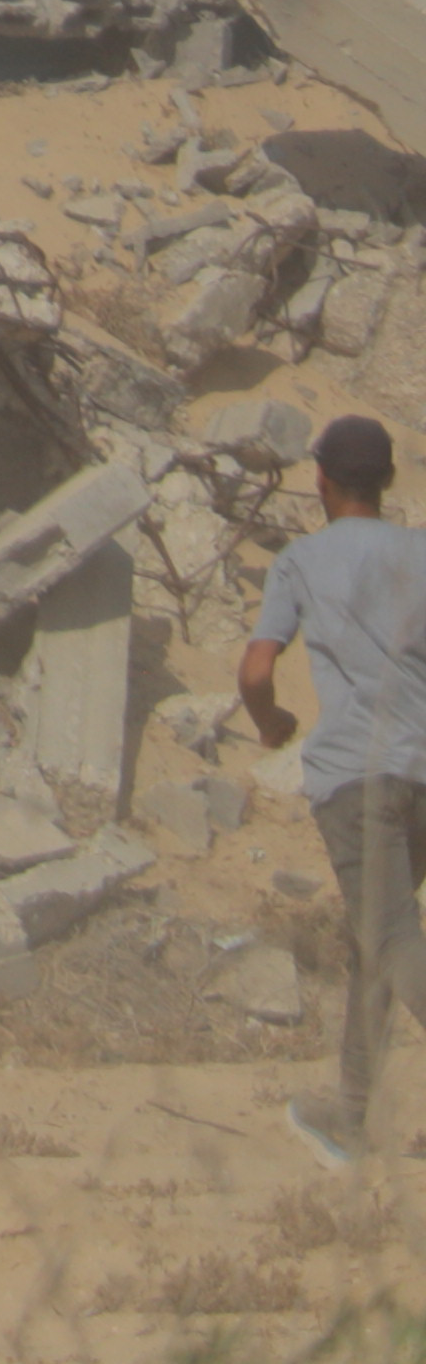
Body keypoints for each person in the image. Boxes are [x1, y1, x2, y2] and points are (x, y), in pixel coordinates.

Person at [243, 413, 426, 1167]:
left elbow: (255, 671)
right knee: (371, 938)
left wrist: (272, 721)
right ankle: (353, 1115)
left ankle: (352, 1119)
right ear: (386, 483)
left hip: (357, 777)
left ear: (319, 480)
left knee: (386, 937)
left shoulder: (300, 562)